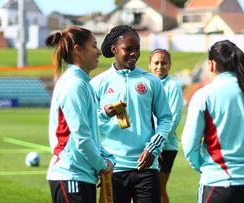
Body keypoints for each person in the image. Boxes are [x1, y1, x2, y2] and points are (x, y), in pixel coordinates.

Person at [181, 39, 244, 203]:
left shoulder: (205, 95)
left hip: (219, 182)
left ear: (211, 65)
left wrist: (201, 166)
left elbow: (190, 144)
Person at [90, 25, 172, 203]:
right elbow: (87, 123)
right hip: (112, 168)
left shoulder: (151, 81)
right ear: (114, 49)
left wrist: (153, 148)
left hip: (146, 167)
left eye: (137, 49)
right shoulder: (98, 83)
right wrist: (104, 113)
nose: (134, 53)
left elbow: (166, 118)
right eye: (128, 49)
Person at [46, 26, 115, 203]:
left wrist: (107, 158)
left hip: (80, 175)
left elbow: (90, 134)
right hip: (71, 175)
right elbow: (81, 137)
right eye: (93, 46)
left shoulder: (82, 83)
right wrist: (101, 165)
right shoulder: (74, 84)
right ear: (78, 50)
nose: (99, 52)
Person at [148, 49, 184, 203]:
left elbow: (173, 118)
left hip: (165, 146)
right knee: (139, 189)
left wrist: (158, 143)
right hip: (145, 145)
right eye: (156, 63)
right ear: (150, 65)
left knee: (159, 190)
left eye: (164, 63)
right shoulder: (146, 83)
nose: (160, 66)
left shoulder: (173, 86)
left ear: (170, 65)